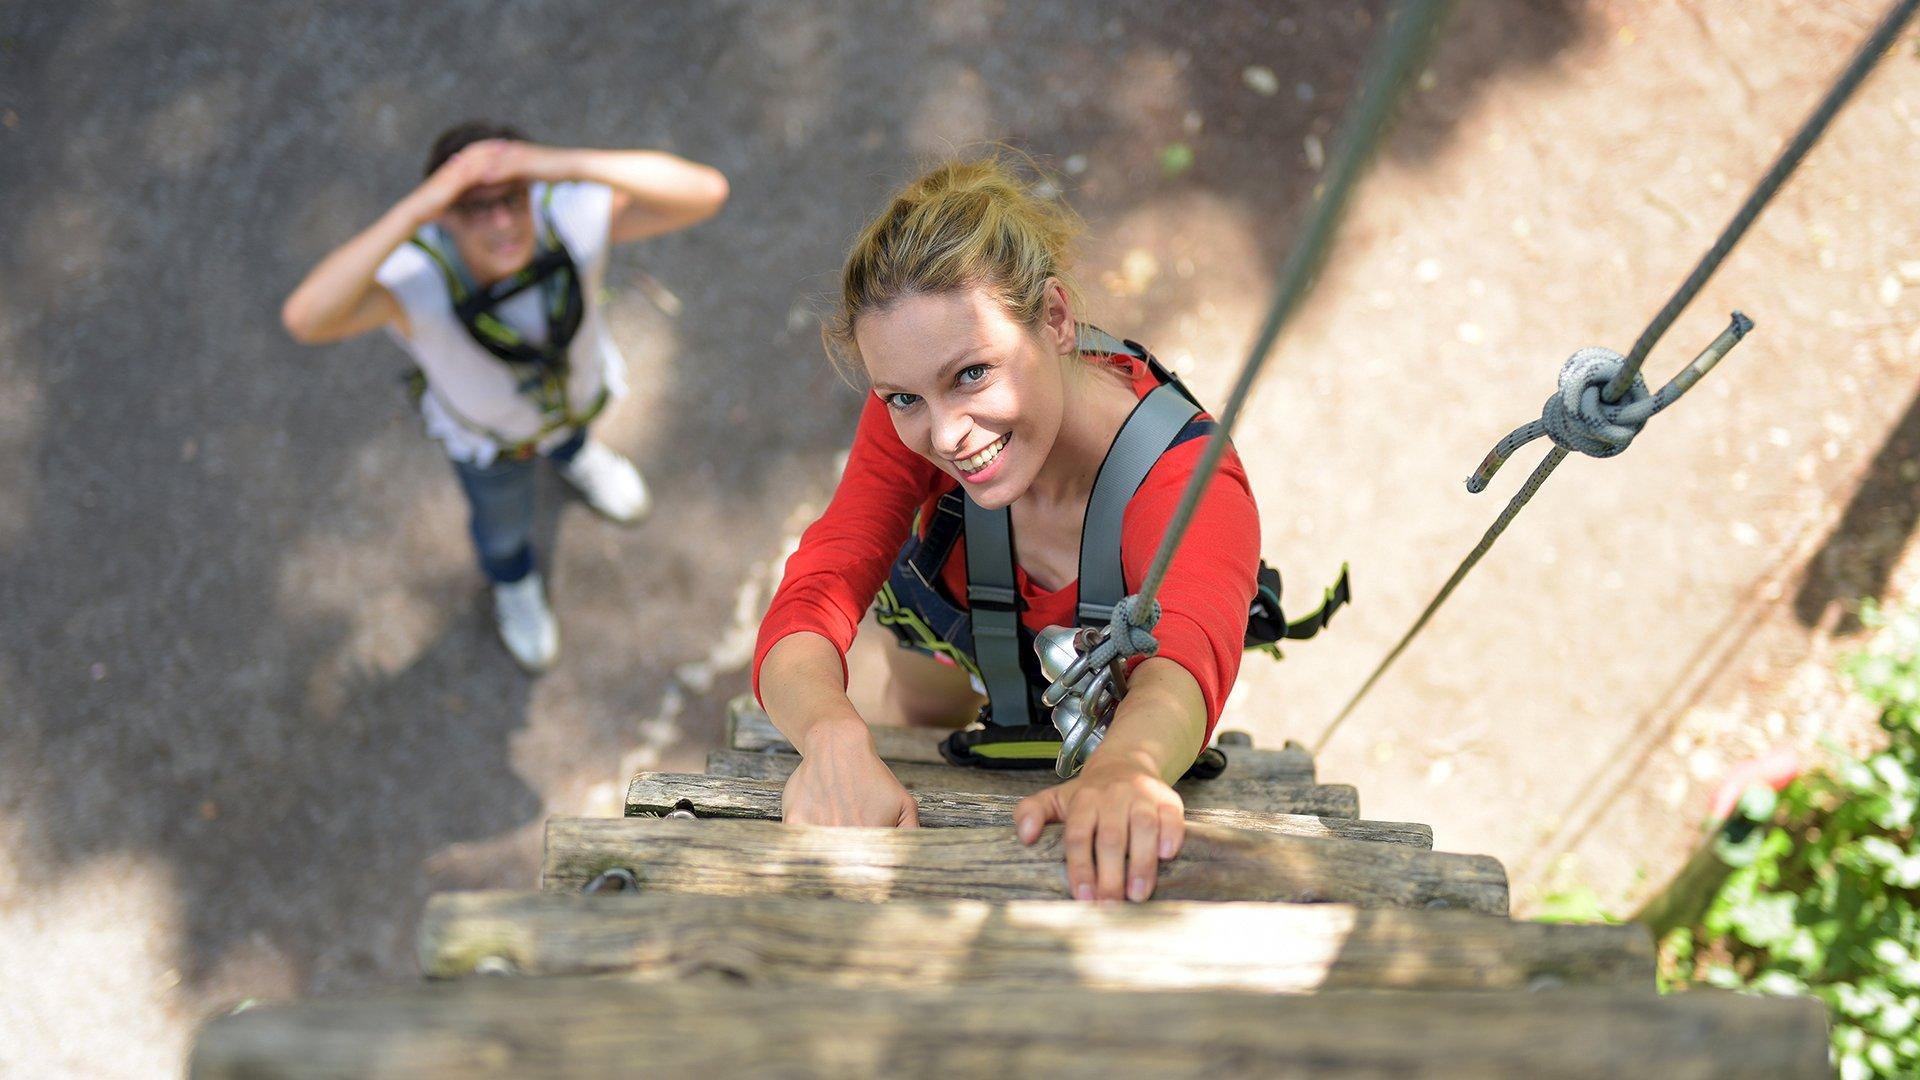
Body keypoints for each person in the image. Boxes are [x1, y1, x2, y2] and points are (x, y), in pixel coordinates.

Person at [752, 155, 1261, 903]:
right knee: (920, 712)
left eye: (972, 375)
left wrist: (1128, 766)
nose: (947, 434)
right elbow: (824, 578)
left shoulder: (1190, 484)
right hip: (961, 637)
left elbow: (1184, 661)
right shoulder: (915, 406)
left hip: (1116, 678)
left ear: (1055, 319)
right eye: (902, 397)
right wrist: (832, 735)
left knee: (1121, 715)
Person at [281, 121, 728, 671]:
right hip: (490, 444)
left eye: (512, 199)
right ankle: (513, 583)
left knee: (572, 436)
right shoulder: (417, 276)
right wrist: (417, 208)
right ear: (442, 213)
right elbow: (307, 318)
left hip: (573, 401)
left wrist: (558, 163)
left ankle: (576, 458)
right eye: (473, 207)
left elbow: (705, 193)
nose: (502, 223)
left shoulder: (563, 219)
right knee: (501, 527)